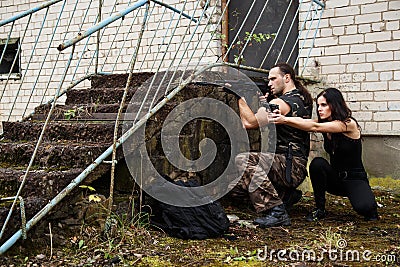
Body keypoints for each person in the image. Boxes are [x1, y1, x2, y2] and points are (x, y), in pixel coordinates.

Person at [270, 87, 379, 221]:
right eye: (318, 105)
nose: (319, 109)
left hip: (354, 179)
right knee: (318, 164)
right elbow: (307, 122)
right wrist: (281, 117)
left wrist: (285, 120)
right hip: (335, 179)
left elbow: (314, 127)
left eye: (324, 105)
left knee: (365, 209)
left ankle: (369, 205)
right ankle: (320, 209)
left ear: (335, 104)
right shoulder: (324, 123)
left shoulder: (349, 124)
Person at [230, 62, 313, 228]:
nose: (269, 83)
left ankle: (276, 211)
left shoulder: (283, 103)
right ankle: (284, 196)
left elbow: (249, 123)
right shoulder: (299, 98)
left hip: (291, 166)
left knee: (243, 160)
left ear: (287, 78)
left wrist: (238, 95)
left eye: (273, 79)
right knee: (235, 189)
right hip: (289, 164)